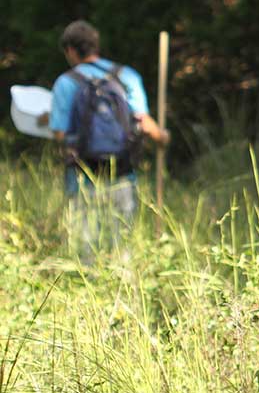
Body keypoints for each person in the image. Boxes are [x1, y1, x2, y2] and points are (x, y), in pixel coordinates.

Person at [43, 20, 169, 259]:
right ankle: (122, 292)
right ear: (95, 46)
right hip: (123, 174)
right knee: (122, 248)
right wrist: (163, 138)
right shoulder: (126, 76)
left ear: (70, 50)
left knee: (85, 249)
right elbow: (144, 123)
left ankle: (87, 294)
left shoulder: (65, 82)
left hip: (82, 177)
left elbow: (59, 134)